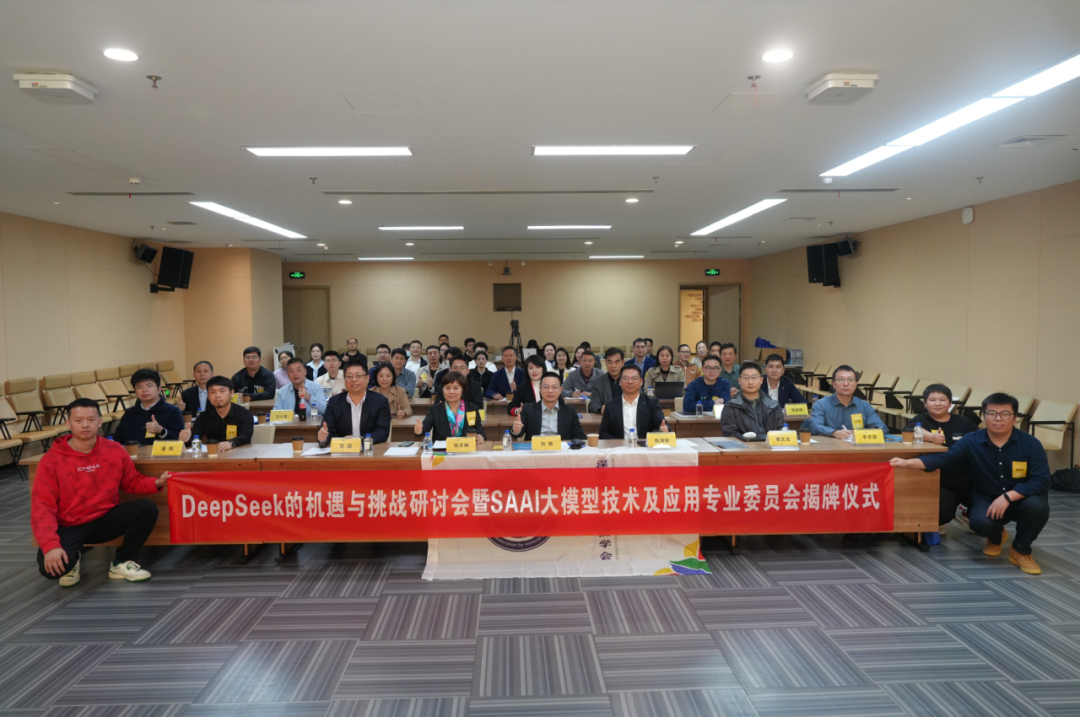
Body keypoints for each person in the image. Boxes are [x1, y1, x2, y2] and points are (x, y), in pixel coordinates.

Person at [890, 393, 1050, 575]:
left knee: (1038, 507)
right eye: (992, 413)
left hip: (1022, 496)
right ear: (983, 416)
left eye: (1005, 414)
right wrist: (907, 463)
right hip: (987, 496)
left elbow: (1041, 480)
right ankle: (995, 538)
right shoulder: (972, 440)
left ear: (1014, 418)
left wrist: (1007, 497)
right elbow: (945, 458)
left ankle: (1021, 550)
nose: (998, 419)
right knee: (980, 523)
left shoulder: (1030, 443)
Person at [33, 398, 170, 586]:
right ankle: (73, 557)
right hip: (70, 526)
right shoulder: (51, 460)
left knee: (146, 508)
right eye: (78, 420)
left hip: (105, 520)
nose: (85, 425)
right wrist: (50, 546)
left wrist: (157, 482)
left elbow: (132, 483)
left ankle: (121, 563)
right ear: (68, 424)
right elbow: (42, 507)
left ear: (99, 422)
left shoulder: (114, 450)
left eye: (91, 419)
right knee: (51, 569)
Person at [901, 384, 979, 530]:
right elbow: (914, 430)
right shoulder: (921, 419)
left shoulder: (964, 422)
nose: (937, 403)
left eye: (942, 400)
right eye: (932, 400)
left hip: (968, 478)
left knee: (985, 515)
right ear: (925, 404)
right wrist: (932, 437)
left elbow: (980, 440)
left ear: (950, 404)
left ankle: (968, 515)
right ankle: (940, 520)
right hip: (943, 480)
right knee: (942, 514)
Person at [317, 361, 392, 445]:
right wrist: (323, 438)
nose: (354, 379)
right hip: (344, 450)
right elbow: (327, 431)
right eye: (349, 376)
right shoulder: (334, 402)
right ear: (344, 379)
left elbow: (382, 432)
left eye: (358, 376)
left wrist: (358, 440)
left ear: (367, 378)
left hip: (370, 450)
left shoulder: (380, 401)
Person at [804, 365, 888, 437]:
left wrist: (862, 433)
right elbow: (815, 427)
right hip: (829, 447)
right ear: (833, 384)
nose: (846, 384)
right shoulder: (821, 404)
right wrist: (834, 432)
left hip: (857, 448)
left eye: (850, 380)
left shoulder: (864, 406)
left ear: (855, 385)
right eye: (841, 380)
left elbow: (882, 428)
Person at [178, 376, 255, 450]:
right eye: (213, 392)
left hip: (239, 455)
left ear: (231, 393)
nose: (217, 395)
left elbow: (246, 436)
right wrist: (186, 439)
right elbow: (194, 437)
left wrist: (231, 443)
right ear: (208, 396)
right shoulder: (204, 416)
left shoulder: (244, 414)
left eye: (222, 391)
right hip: (214, 455)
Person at [112, 368, 185, 445]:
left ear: (159, 389)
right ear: (135, 392)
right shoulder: (129, 413)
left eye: (149, 385)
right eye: (139, 387)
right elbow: (118, 439)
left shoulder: (172, 411)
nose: (144, 390)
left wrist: (161, 431)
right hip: (132, 453)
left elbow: (179, 441)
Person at [414, 371, 486, 444]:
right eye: (447, 388)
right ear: (442, 390)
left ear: (462, 390)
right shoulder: (435, 409)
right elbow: (425, 427)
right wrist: (420, 430)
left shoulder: (472, 409)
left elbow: (480, 431)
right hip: (442, 449)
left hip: (466, 448)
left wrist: (480, 436)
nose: (451, 391)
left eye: (456, 388)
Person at [599, 365, 668, 439]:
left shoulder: (652, 403)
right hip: (619, 445)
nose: (630, 382)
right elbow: (603, 433)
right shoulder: (610, 405)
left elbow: (662, 424)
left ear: (641, 381)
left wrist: (665, 429)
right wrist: (621, 443)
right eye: (626, 378)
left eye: (634, 378)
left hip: (644, 445)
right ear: (620, 382)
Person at [511, 372, 586, 441]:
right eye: (546, 387)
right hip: (536, 449)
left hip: (561, 449)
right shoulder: (528, 409)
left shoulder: (570, 411)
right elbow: (517, 431)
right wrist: (516, 430)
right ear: (540, 389)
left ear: (560, 390)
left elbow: (580, 435)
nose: (550, 391)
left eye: (554, 387)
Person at [721, 362, 784, 437]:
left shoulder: (773, 405)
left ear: (761, 380)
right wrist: (746, 438)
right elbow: (729, 433)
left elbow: (782, 431)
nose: (750, 382)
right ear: (739, 381)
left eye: (754, 377)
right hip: (743, 444)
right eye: (746, 378)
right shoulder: (731, 406)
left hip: (769, 444)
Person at [588, 347, 628, 414]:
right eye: (610, 362)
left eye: (617, 362)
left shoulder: (631, 380)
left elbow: (640, 400)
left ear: (623, 363)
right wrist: (601, 409)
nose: (613, 366)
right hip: (607, 418)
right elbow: (593, 404)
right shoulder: (597, 382)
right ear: (606, 363)